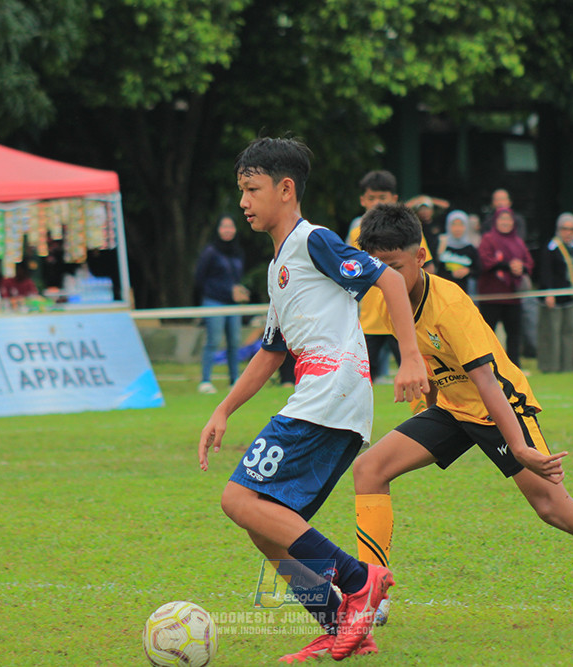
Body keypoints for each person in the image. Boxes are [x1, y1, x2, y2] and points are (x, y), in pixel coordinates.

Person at [353, 202, 573, 629]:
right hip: (452, 409)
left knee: (553, 507)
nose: (384, 276)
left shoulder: (449, 304)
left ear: (421, 256)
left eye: (393, 265)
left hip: (499, 408)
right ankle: (372, 594)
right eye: (375, 267)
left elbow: (487, 381)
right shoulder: (383, 295)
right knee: (369, 470)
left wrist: (518, 446)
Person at [197, 137, 428, 662]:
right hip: (328, 399)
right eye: (241, 191)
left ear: (285, 189)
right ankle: (342, 623)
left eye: (251, 190)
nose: (243, 202)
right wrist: (223, 409)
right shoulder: (281, 263)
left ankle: (359, 581)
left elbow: (390, 279)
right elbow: (271, 351)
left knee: (238, 500)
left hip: (328, 394)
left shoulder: (313, 240)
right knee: (263, 523)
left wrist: (410, 356)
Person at [348, 171, 433, 386]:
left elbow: (427, 269)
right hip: (369, 322)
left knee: (421, 378)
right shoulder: (356, 234)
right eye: (371, 198)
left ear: (394, 199)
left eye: (382, 198)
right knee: (358, 383)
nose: (376, 203)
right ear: (362, 200)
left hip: (404, 318)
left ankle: (428, 418)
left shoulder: (408, 230)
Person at [194, 215, 247, 394]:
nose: (227, 230)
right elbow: (199, 278)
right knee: (213, 340)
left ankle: (234, 380)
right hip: (214, 301)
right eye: (224, 227)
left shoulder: (238, 252)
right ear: (218, 229)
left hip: (233, 304)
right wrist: (222, 291)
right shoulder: (210, 251)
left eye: (230, 227)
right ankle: (205, 381)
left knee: (234, 341)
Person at [477, 208, 533, 368]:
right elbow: (484, 261)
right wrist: (508, 266)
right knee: (487, 334)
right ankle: (486, 367)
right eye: (502, 219)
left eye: (509, 219)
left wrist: (520, 267)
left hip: (513, 298)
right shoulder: (488, 239)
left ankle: (514, 366)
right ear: (495, 221)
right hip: (491, 296)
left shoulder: (518, 242)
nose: (506, 223)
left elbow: (528, 262)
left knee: (514, 334)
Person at [536, 213, 573, 373]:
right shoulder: (552, 247)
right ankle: (550, 367)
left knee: (569, 332)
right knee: (552, 333)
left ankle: (567, 367)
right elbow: (546, 271)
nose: (568, 232)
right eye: (565, 229)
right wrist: (549, 292)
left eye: (571, 229)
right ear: (558, 229)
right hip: (554, 298)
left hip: (570, 298)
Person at [436, 209, 479, 295]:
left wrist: (468, 271)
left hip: (464, 292)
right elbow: (434, 266)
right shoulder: (441, 244)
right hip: (443, 292)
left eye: (461, 225)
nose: (457, 229)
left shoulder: (470, 248)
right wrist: (439, 251)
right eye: (454, 225)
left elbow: (478, 269)